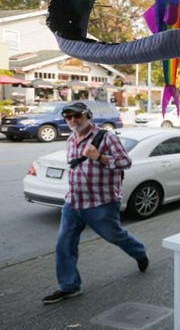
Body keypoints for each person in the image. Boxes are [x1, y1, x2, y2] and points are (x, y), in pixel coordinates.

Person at [42, 101, 148, 304]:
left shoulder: (105, 137)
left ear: (87, 115)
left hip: (101, 203)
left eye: (77, 116)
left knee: (115, 236)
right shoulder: (71, 139)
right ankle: (69, 286)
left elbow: (126, 162)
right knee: (64, 244)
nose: (73, 120)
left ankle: (139, 252)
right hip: (73, 202)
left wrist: (99, 156)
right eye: (68, 117)